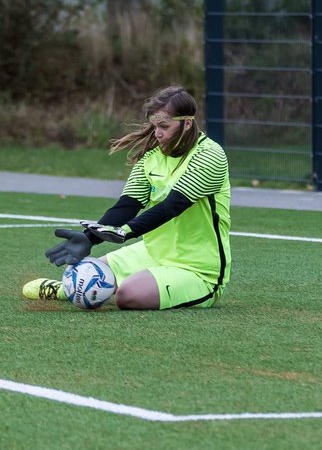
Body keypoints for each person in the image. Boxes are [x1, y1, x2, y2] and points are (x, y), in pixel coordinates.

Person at [22, 84, 231, 310]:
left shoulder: (210, 155)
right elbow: (127, 205)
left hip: (196, 268)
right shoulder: (151, 158)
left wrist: (125, 232)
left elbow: (173, 206)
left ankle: (103, 290)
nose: (157, 133)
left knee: (127, 295)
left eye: (164, 126)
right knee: (87, 273)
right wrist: (89, 237)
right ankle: (71, 289)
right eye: (154, 126)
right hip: (152, 253)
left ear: (187, 123)